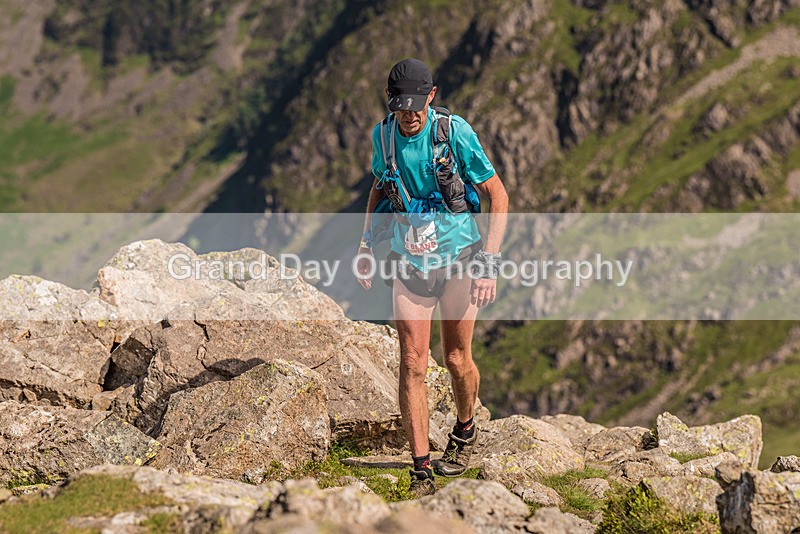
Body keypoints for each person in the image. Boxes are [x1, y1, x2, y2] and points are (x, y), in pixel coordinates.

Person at [356, 58, 508, 497]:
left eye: (417, 105)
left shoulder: (452, 132)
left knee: (458, 359)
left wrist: (490, 261)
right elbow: (379, 188)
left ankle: (465, 429)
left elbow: (496, 194)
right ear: (391, 103)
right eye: (401, 106)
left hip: (461, 257)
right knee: (412, 362)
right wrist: (366, 245)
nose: (410, 114)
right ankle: (420, 468)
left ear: (432, 96)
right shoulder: (382, 137)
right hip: (409, 262)